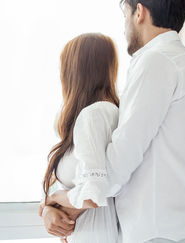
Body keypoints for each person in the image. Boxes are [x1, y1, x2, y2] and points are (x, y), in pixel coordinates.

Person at [40, 0, 185, 243]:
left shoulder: (156, 62)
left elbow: (119, 162)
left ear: (139, 12)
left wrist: (57, 201)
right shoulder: (178, 62)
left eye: (125, 16)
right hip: (170, 230)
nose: (124, 27)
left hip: (158, 234)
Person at [39, 32, 121, 243]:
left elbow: (91, 194)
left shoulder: (94, 116)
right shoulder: (100, 114)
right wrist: (49, 208)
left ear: (74, 73)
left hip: (96, 234)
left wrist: (54, 199)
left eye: (62, 69)